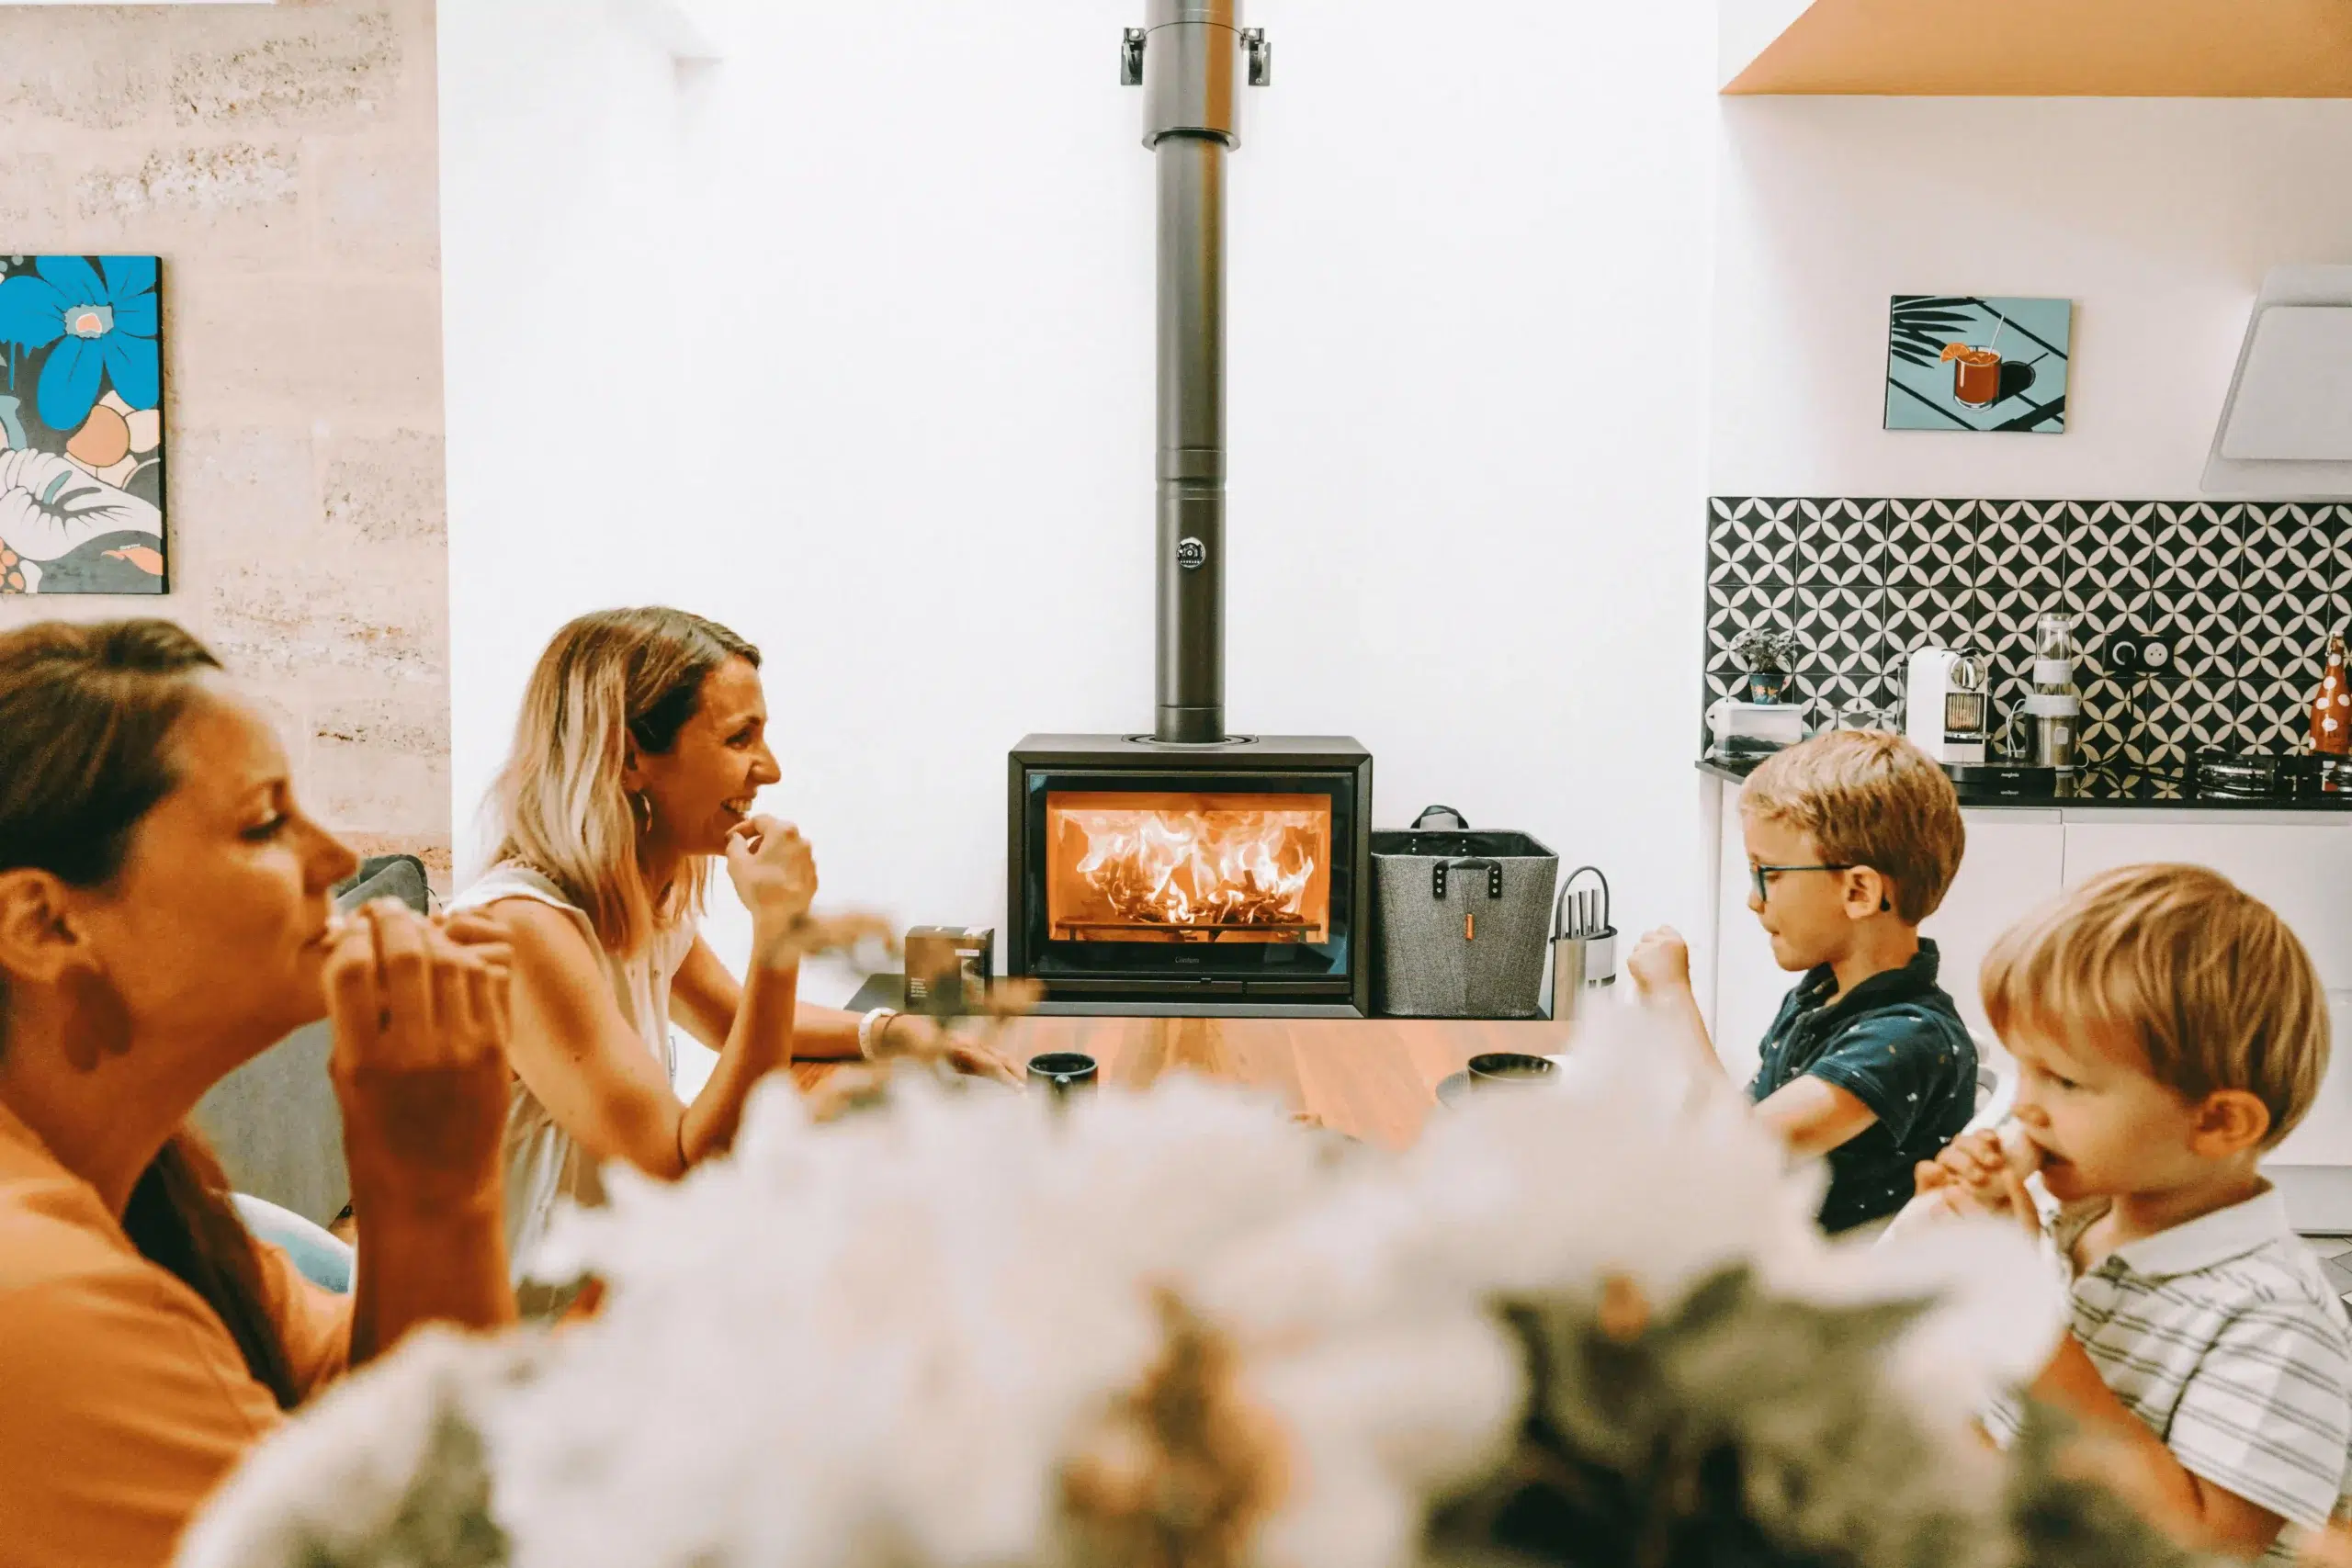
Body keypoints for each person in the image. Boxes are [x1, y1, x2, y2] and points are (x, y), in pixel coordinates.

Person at [0, 619, 516, 1568]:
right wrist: (440, 1193)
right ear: (43, 923)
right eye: (265, 823)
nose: (337, 860)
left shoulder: (159, 1205)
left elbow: (364, 1437)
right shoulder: (44, 1297)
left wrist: (414, 1187)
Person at [446, 607, 1017, 1314]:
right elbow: (684, 1169)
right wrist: (778, 930)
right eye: (739, 737)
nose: (770, 770)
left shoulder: (635, 896)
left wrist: (891, 1032)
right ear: (629, 760)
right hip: (528, 1331)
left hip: (621, 1274)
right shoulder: (522, 931)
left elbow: (730, 1020)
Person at [1910, 865, 2352, 1565]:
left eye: (2064, 1080)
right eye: (2025, 1070)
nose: (2025, 1106)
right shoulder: (2078, 1221)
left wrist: (2026, 1312)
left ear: (2218, 1122)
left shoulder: (2275, 1318)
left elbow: (2204, 1541)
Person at [1626, 730, 1976, 1235]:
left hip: (1821, 1297)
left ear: (1858, 890)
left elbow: (1734, 1159)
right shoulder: (1824, 993)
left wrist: (1671, 998)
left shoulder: (1907, 1039)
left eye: (1768, 873)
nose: (1754, 899)